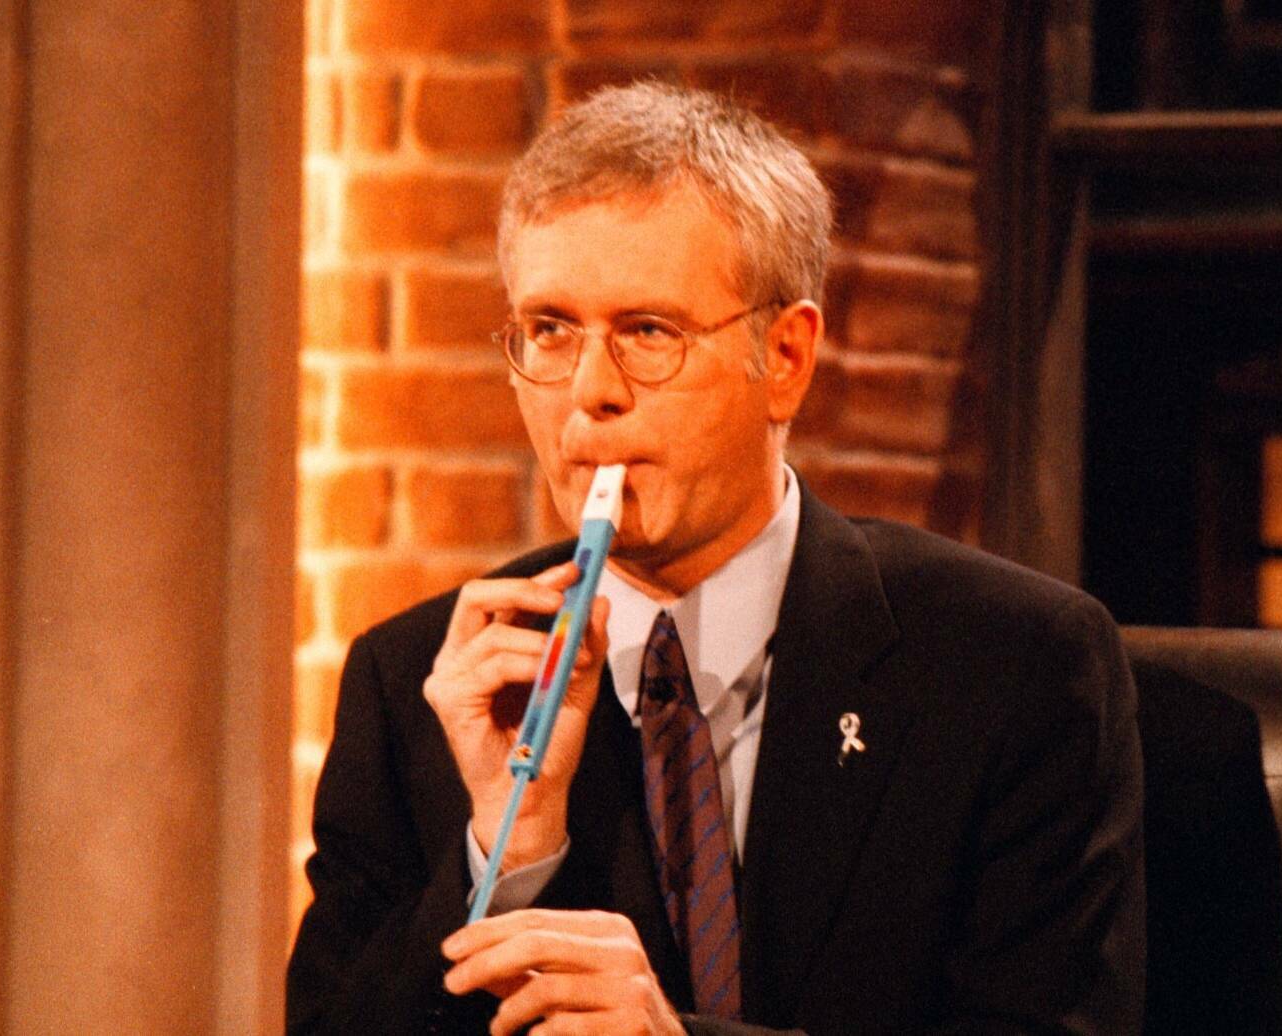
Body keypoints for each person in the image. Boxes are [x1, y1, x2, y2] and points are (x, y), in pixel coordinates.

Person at [287, 82, 1145, 1035]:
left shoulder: (1012, 665)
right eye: (550, 331)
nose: (590, 391)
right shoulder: (416, 684)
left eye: (647, 332)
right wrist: (507, 853)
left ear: (785, 357)